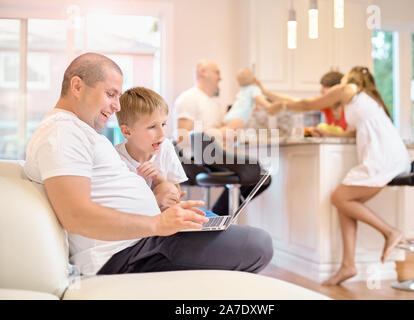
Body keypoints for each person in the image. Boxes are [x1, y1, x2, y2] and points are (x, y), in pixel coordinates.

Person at [23, 52, 273, 276]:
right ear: (77, 86)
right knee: (257, 244)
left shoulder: (79, 132)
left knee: (240, 239)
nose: (117, 106)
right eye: (110, 94)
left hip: (141, 241)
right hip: (125, 254)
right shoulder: (62, 132)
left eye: (118, 96)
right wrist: (157, 223)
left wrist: (160, 203)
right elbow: (76, 216)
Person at [267, 66, 409, 285]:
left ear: (348, 79)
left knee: (339, 197)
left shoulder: (348, 89)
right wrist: (329, 132)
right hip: (382, 154)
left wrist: (282, 105)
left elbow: (308, 104)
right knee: (345, 202)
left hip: (383, 156)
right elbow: (354, 131)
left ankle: (390, 232)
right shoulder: (362, 100)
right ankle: (348, 265)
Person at [175, 60, 271, 216]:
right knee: (259, 174)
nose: (220, 78)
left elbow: (221, 132)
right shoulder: (189, 98)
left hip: (213, 156)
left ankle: (219, 217)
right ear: (202, 72)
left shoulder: (214, 103)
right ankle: (220, 216)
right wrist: (223, 131)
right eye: (217, 72)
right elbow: (183, 137)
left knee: (261, 176)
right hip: (195, 160)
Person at [115, 87, 187, 212]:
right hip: (135, 219)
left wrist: (160, 180)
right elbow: (122, 206)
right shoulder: (116, 158)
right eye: (152, 127)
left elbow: (176, 192)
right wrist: (142, 182)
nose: (162, 134)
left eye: (163, 124)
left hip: (164, 217)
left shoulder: (165, 147)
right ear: (127, 131)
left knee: (167, 187)